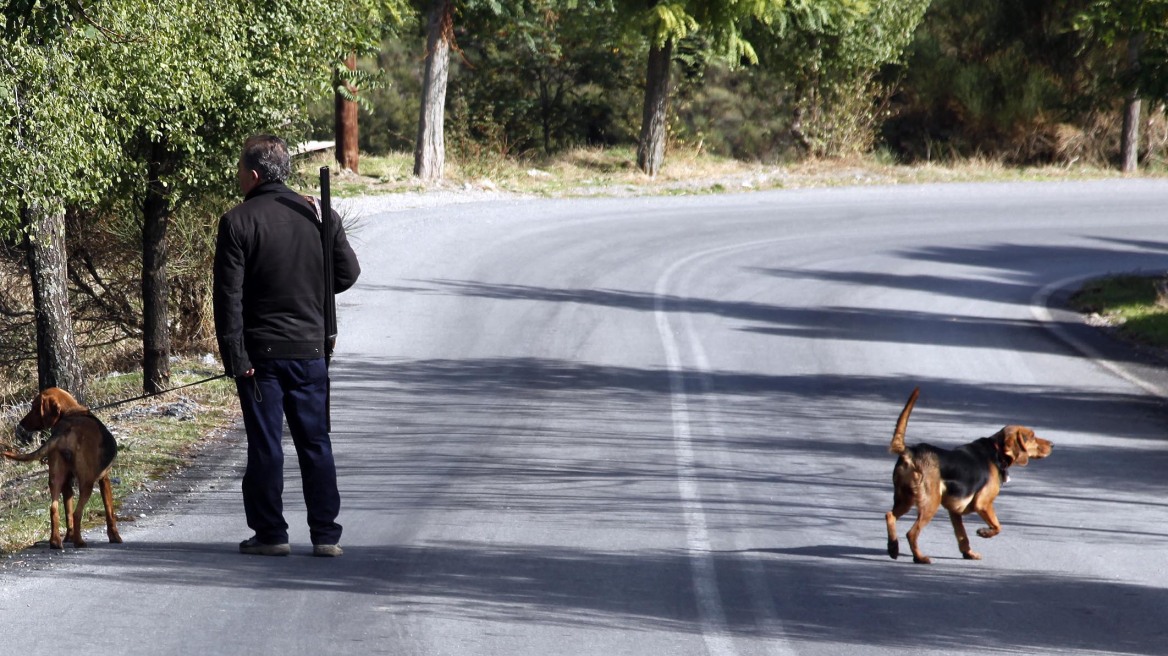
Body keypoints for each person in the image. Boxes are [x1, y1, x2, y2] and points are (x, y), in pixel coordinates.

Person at [213, 134, 361, 557]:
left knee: (266, 445)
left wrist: (235, 359)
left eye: (240, 170)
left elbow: (229, 298)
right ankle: (326, 535)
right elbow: (347, 274)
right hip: (312, 351)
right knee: (316, 442)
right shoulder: (319, 214)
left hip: (261, 358)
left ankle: (272, 533)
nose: (238, 177)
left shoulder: (238, 221)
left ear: (255, 175)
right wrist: (315, 286)